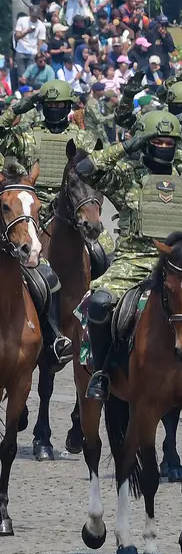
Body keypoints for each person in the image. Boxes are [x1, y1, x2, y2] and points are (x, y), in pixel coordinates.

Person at [74, 111, 182, 406]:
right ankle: (102, 372)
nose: (164, 147)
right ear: (146, 143)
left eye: (169, 143)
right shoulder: (127, 177)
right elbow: (86, 170)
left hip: (181, 266)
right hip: (134, 261)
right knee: (99, 304)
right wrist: (126, 146)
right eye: (158, 142)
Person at [0, 80, 105, 369]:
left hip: (73, 208)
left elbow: (100, 166)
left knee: (102, 254)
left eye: (61, 105)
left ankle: (98, 330)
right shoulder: (26, 135)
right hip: (29, 209)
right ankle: (47, 329)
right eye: (50, 105)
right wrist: (20, 107)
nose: (55, 109)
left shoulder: (82, 138)